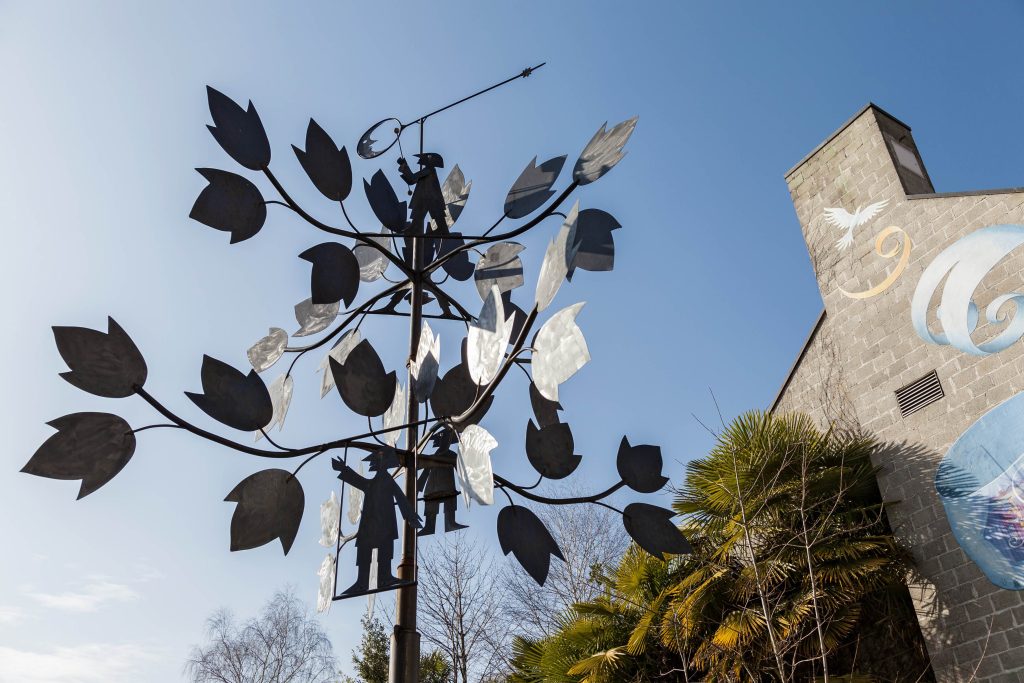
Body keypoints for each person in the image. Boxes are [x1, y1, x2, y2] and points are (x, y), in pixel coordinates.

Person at [332, 447, 421, 595]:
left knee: (384, 552)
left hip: (384, 524)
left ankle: (383, 578)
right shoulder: (374, 482)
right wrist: (344, 469)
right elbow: (361, 482)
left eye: (381, 459)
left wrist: (410, 517)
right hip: (371, 524)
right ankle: (362, 581)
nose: (379, 462)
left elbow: (400, 497)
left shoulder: (387, 480)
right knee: (365, 552)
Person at [416, 429, 468, 536]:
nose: (446, 442)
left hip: (447, 485)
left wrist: (466, 484)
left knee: (450, 501)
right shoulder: (434, 456)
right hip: (432, 486)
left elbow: (460, 470)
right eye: (444, 439)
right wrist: (418, 487)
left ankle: (450, 522)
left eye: (448, 440)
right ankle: (429, 526)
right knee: (431, 504)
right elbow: (426, 471)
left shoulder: (452, 455)